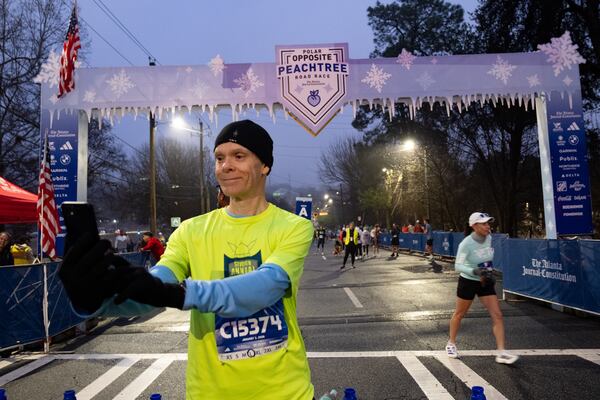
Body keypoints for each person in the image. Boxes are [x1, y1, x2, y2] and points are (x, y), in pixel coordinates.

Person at [58, 119, 315, 399]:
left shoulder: (294, 226)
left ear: (265, 165)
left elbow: (266, 286)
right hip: (209, 393)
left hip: (286, 392)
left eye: (238, 156)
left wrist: (179, 295)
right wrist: (97, 297)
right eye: (219, 158)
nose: (225, 166)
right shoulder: (190, 231)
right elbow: (161, 280)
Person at [446, 212, 519, 365]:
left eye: (488, 223)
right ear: (474, 226)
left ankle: (501, 352)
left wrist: (487, 271)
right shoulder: (466, 244)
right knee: (459, 314)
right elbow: (457, 266)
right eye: (484, 224)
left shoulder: (489, 238)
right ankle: (451, 343)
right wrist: (474, 271)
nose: (488, 226)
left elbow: (486, 258)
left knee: (497, 315)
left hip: (485, 280)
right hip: (468, 281)